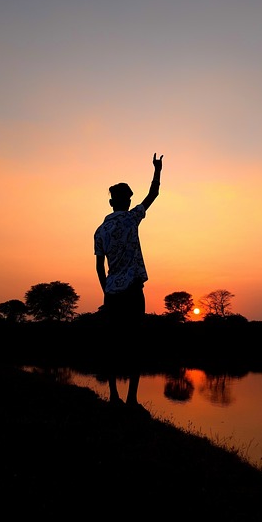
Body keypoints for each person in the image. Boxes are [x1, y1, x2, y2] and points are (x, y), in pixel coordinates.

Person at [94, 152, 163, 413]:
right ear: (127, 201)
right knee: (135, 344)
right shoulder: (133, 217)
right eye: (131, 198)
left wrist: (106, 290)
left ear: (111, 202)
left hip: (112, 293)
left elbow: (99, 266)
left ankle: (113, 396)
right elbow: (153, 194)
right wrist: (157, 170)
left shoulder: (100, 230)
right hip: (133, 291)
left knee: (113, 344)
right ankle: (132, 399)